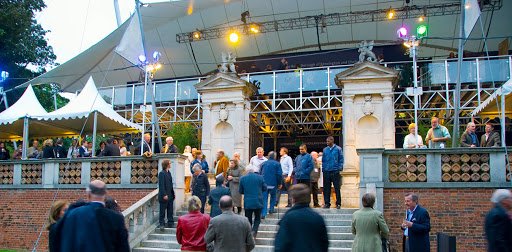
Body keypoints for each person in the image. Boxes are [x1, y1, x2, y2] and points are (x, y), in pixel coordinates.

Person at [58, 180, 129, 252]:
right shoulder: (116, 218)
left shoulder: (73, 214)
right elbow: (123, 248)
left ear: (88, 193)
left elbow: (67, 244)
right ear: (105, 193)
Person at [274, 184, 329, 252]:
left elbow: (280, 245)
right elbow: (324, 243)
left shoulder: (288, 218)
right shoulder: (318, 218)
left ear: (293, 199)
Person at [239, 165, 266, 238]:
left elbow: (240, 191)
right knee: (257, 218)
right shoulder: (260, 177)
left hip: (248, 202)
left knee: (248, 218)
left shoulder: (242, 178)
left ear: (246, 171)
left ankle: (250, 232)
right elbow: (265, 188)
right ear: (253, 170)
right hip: (258, 201)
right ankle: (254, 231)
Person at [322, 136, 344, 209]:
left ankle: (338, 203)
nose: (327, 142)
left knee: (336, 188)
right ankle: (327, 203)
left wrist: (339, 168)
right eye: (326, 141)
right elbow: (323, 160)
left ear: (332, 141)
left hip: (335, 171)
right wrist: (324, 169)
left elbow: (341, 159)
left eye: (328, 141)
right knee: (326, 188)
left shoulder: (338, 149)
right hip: (326, 171)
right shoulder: (325, 150)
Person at [260, 151, 282, 219]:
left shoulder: (263, 163)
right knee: (273, 196)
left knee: (264, 198)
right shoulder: (277, 164)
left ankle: (263, 213)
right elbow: (279, 174)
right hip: (273, 183)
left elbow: (260, 174)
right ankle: (271, 209)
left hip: (264, 184)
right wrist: (279, 183)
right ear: (275, 156)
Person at [158, 159, 175, 229]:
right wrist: (164, 194)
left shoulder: (169, 173)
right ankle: (161, 224)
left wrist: (173, 193)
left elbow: (170, 184)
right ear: (167, 165)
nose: (170, 164)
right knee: (162, 211)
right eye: (170, 163)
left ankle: (170, 223)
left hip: (170, 195)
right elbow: (161, 185)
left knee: (170, 210)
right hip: (164, 196)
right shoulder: (162, 173)